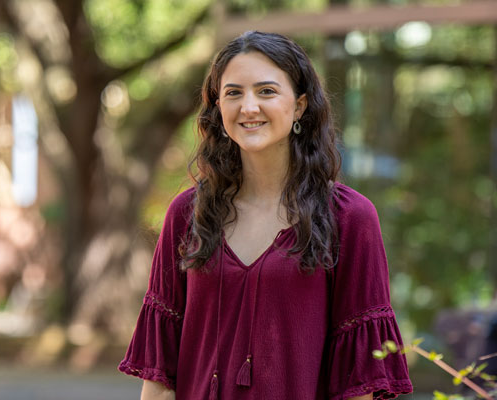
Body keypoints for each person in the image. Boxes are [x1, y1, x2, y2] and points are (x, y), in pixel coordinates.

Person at [117, 31, 412, 400]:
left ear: (300, 106)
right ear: (218, 107)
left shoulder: (349, 218)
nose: (249, 107)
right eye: (234, 93)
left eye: (267, 91)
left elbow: (359, 384)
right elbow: (161, 380)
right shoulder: (187, 215)